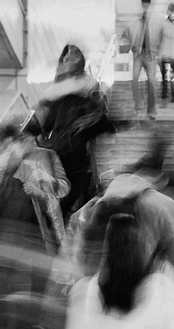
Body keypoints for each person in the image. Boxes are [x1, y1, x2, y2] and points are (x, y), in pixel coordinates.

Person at [0, 120, 70, 329]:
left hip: (34, 236)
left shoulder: (37, 167)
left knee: (36, 285)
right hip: (1, 241)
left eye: (14, 144)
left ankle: (29, 324)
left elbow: (54, 200)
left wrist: (40, 191)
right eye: (3, 147)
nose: (8, 150)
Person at [35, 44, 114, 220]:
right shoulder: (56, 94)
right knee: (59, 205)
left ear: (81, 62)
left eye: (73, 56)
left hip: (77, 161)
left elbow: (105, 123)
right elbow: (47, 126)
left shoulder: (87, 91)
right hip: (59, 158)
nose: (68, 60)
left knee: (67, 203)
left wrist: (90, 120)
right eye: (66, 57)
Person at [122, 0, 165, 120]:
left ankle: (151, 110)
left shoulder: (157, 22)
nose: (146, 9)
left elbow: (163, 37)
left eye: (147, 7)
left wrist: (159, 52)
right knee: (134, 80)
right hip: (138, 55)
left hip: (151, 56)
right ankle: (138, 107)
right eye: (144, 6)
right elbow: (125, 35)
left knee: (151, 82)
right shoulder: (135, 23)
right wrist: (129, 45)